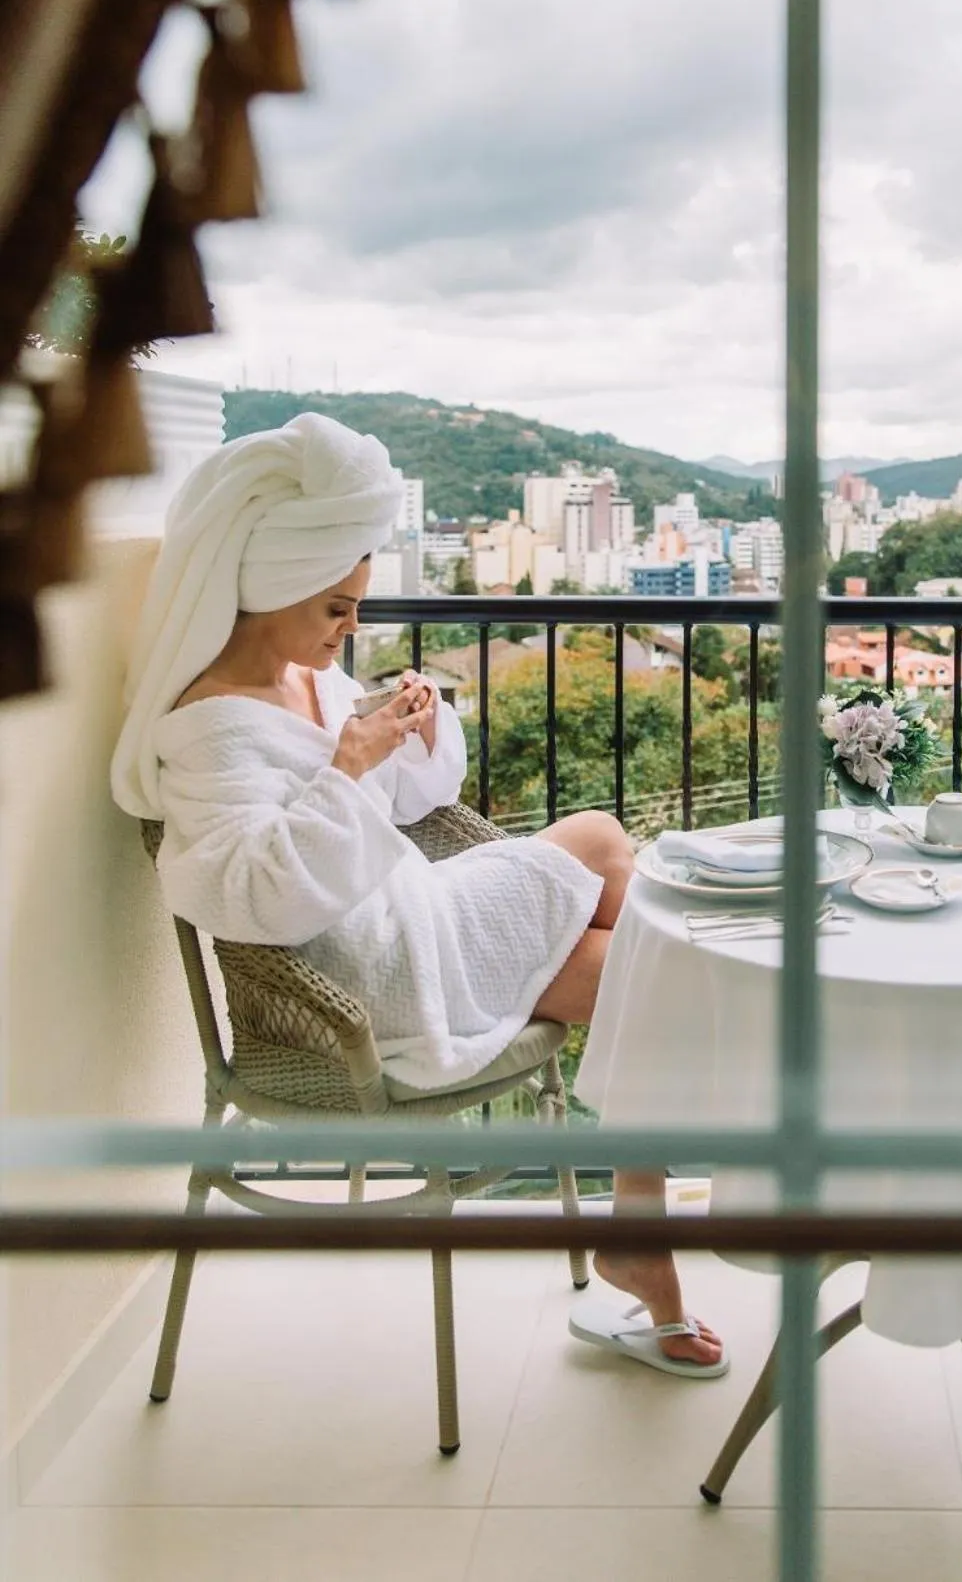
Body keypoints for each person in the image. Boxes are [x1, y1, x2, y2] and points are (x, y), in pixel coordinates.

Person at [111, 413, 722, 1376]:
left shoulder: (298, 679)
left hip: (408, 910)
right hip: (380, 969)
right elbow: (251, 897)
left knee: (617, 881)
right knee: (648, 956)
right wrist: (350, 771)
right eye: (334, 608)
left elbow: (401, 807)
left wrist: (404, 734)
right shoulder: (208, 732)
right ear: (266, 590)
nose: (351, 625)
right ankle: (649, 1210)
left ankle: (642, 1223)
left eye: (355, 604)